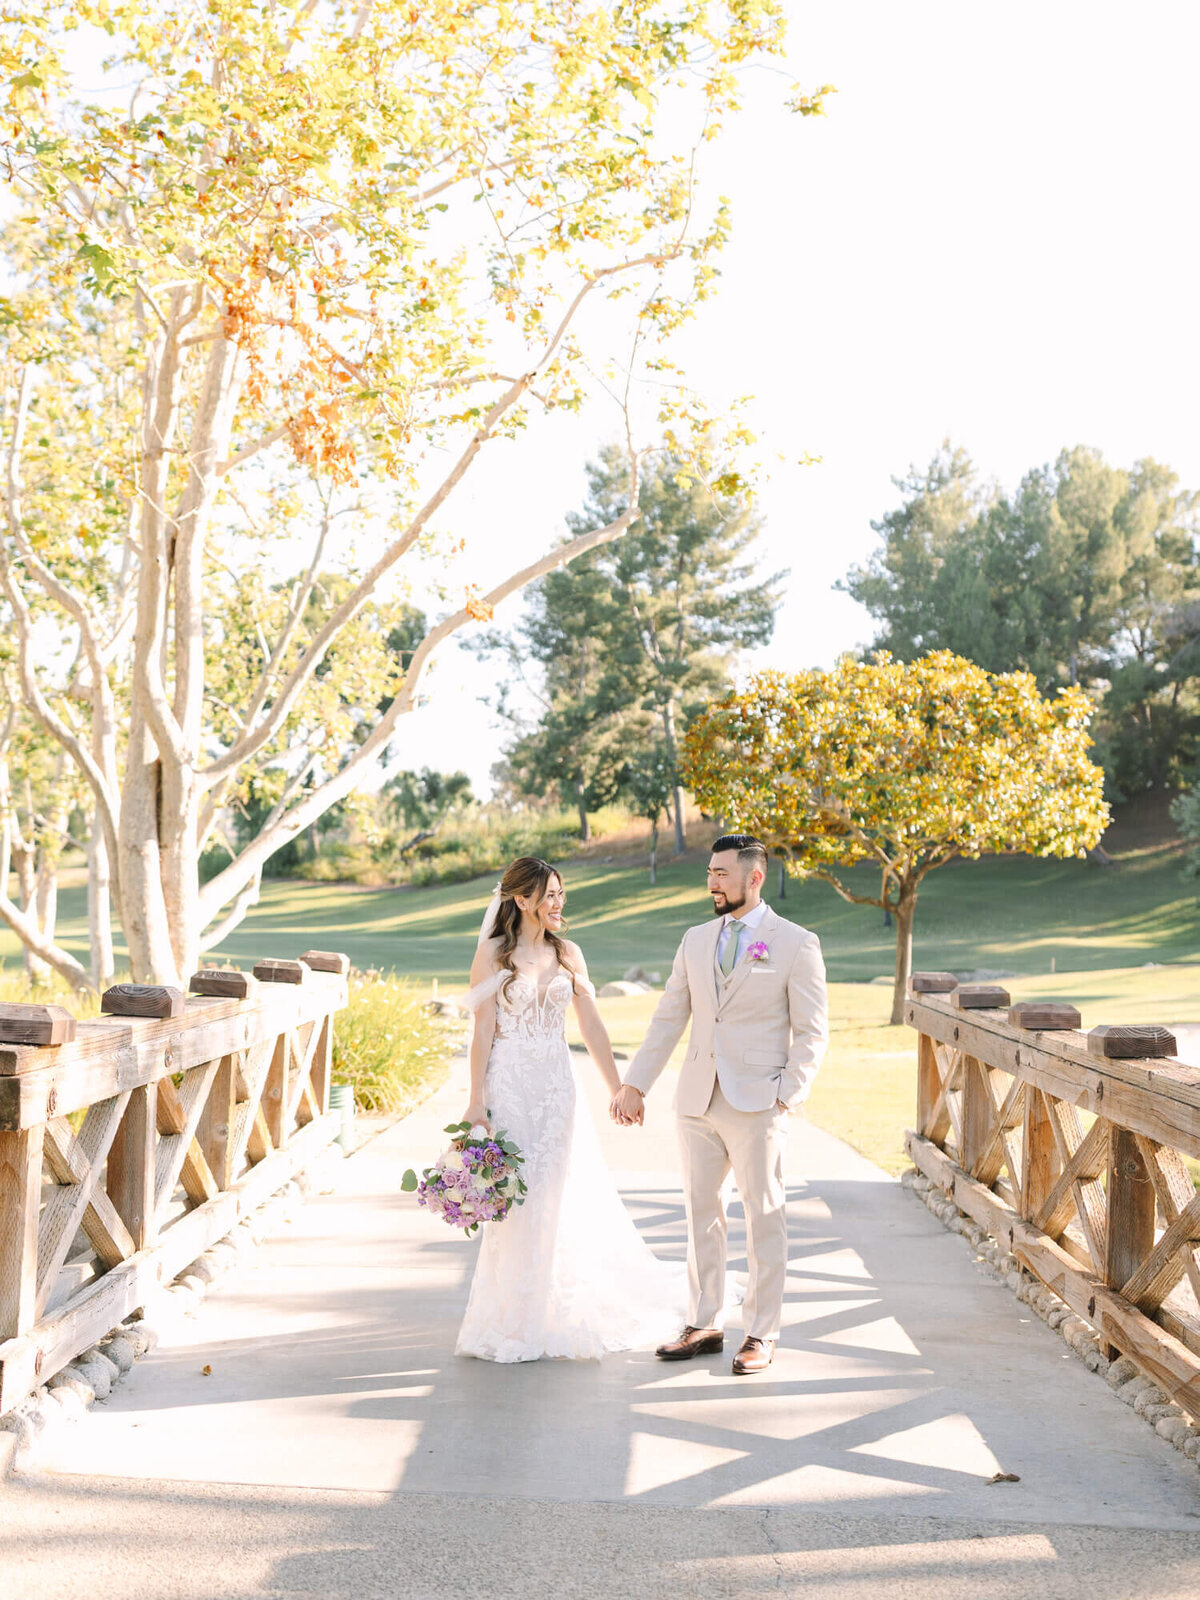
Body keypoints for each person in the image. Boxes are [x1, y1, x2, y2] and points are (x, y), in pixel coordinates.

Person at [610, 833, 828, 1375]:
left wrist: (786, 1096)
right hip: (696, 1099)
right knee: (701, 1215)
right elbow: (669, 1016)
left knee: (763, 1217)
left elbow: (812, 1032)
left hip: (759, 1104)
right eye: (709, 872)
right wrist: (636, 1083)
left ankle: (761, 1331)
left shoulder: (796, 943)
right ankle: (705, 1321)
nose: (712, 882)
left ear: (754, 878)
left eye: (722, 874)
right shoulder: (696, 938)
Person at [455, 856, 683, 1362]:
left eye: (561, 894)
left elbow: (592, 1026)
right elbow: (482, 1032)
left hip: (557, 1086)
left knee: (555, 1194)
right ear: (522, 899)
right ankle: (512, 1320)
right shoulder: (493, 954)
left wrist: (618, 1088)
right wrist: (475, 1102)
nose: (559, 904)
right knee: (517, 1201)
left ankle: (557, 1312)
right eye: (549, 895)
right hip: (509, 1085)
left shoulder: (570, 953)